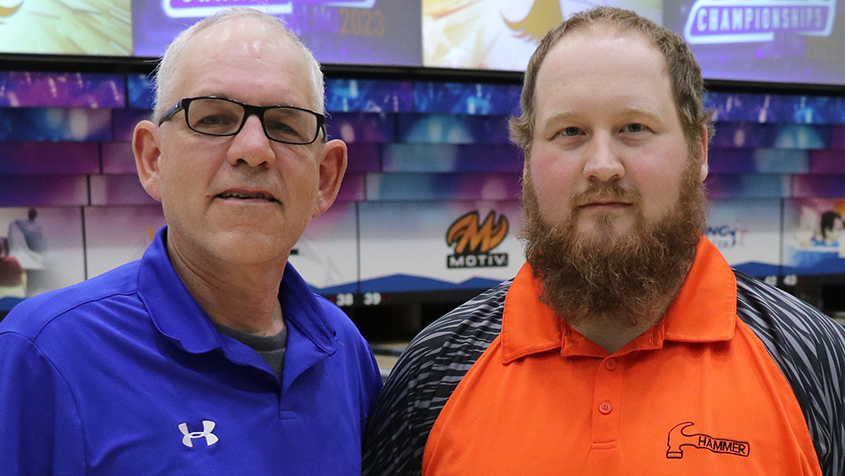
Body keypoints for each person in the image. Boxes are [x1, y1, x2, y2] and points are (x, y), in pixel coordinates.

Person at [362, 7, 844, 476]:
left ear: (699, 150)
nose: (602, 166)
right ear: (527, 161)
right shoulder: (436, 370)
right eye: (569, 131)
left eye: (634, 128)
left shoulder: (813, 358)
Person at [0, 8, 382, 475]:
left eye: (285, 125)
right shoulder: (45, 354)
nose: (254, 150)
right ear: (153, 159)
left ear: (325, 177)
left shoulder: (345, 351)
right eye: (214, 118)